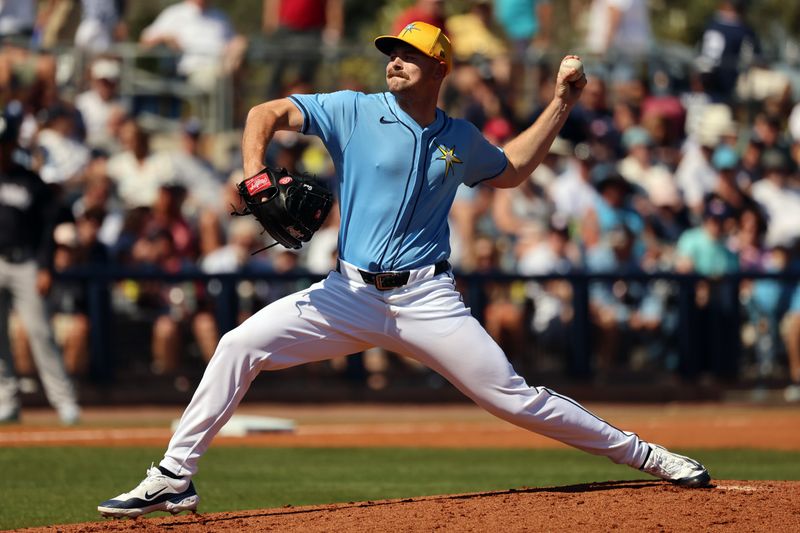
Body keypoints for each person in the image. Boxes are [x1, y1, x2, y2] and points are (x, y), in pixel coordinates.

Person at [98, 21, 711, 518]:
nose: (394, 60)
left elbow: (513, 169)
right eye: (391, 51)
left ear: (440, 67)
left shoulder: (459, 136)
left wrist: (560, 103)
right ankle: (175, 477)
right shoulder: (352, 110)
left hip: (427, 298)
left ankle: (646, 455)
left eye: (410, 54)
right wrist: (256, 171)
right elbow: (264, 113)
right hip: (347, 293)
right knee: (238, 345)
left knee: (514, 399)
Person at [0, 101, 81, 425]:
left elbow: (48, 228)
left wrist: (46, 266)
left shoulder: (30, 181)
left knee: (40, 332)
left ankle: (64, 402)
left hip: (26, 263)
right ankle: (6, 400)